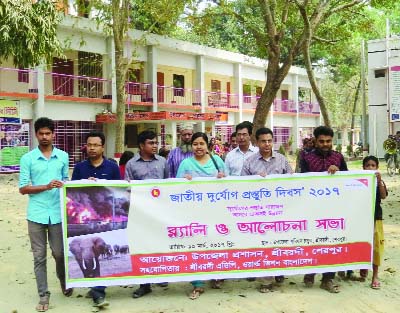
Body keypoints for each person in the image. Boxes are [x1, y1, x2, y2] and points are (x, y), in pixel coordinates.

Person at [19, 117, 72, 312]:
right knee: (39, 257)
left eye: (48, 133)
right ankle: (43, 295)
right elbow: (23, 188)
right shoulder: (28, 159)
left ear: (53, 134)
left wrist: (63, 184)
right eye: (41, 133)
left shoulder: (63, 156)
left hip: (58, 213)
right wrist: (46, 186)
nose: (44, 137)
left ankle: (64, 281)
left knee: (59, 253)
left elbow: (66, 181)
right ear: (35, 134)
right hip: (36, 214)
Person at [71, 131, 121, 308]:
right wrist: (85, 184)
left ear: (102, 147)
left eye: (95, 145)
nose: (91, 148)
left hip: (106, 218)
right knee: (89, 255)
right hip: (85, 220)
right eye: (89, 145)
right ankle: (98, 293)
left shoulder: (112, 167)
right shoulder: (80, 168)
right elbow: (72, 194)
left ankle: (97, 289)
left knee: (97, 254)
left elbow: (117, 192)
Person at [241, 127, 293, 292]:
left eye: (270, 141)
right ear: (257, 142)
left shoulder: (282, 160)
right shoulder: (249, 162)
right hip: (258, 212)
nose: (267, 144)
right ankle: (265, 281)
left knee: (278, 243)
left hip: (279, 210)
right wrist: (256, 181)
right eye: (263, 141)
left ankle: (278, 271)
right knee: (262, 244)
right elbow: (242, 187)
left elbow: (292, 183)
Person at [176, 132, 226, 299]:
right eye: (195, 144)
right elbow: (176, 187)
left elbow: (229, 184)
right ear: (191, 146)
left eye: (202, 143)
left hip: (215, 212)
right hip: (193, 213)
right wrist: (184, 180)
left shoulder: (217, 161)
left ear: (207, 145)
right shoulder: (185, 163)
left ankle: (217, 275)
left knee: (215, 243)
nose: (198, 147)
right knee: (196, 247)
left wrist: (222, 178)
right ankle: (198, 283)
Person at [300, 125, 348, 293]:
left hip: (334, 210)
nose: (325, 144)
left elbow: (348, 181)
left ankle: (327, 278)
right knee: (312, 241)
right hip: (312, 209)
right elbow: (302, 182)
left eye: (328, 141)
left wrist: (339, 172)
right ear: (316, 141)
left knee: (331, 243)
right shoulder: (306, 158)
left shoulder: (339, 158)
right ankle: (310, 270)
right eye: (321, 141)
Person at [125, 130, 169, 298]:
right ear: (141, 145)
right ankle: (145, 284)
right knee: (142, 246)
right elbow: (128, 189)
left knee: (160, 243)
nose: (155, 146)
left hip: (159, 212)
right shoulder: (131, 164)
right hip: (140, 213)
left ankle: (160, 275)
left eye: (156, 143)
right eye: (151, 143)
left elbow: (168, 185)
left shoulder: (163, 162)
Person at [350, 156, 387, 289]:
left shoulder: (379, 182)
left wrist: (379, 181)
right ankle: (363, 266)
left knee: (376, 246)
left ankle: (375, 275)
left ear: (377, 167)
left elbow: (383, 196)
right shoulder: (359, 182)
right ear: (363, 167)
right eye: (367, 165)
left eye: (373, 165)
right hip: (361, 219)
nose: (370, 168)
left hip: (375, 218)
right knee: (361, 244)